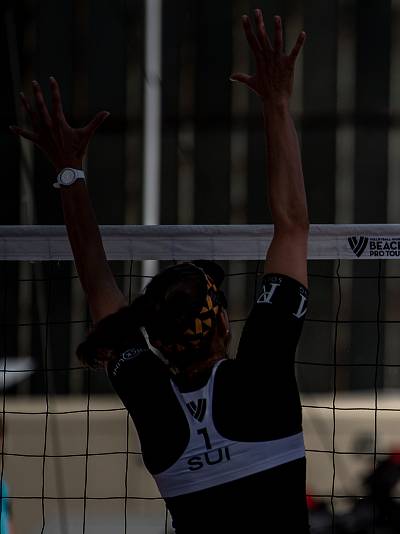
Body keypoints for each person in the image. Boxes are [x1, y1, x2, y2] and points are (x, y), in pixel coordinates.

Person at [11, 10, 310, 532]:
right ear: (220, 322)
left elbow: (96, 280)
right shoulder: (259, 381)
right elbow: (291, 224)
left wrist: (68, 170)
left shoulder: (158, 406)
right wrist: (277, 101)